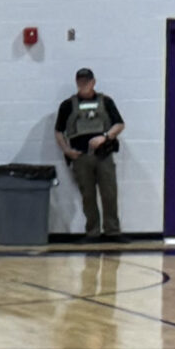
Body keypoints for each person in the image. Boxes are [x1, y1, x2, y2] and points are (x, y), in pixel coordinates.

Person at [54, 69, 125, 241]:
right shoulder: (67, 105)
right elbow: (58, 131)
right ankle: (92, 232)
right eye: (80, 81)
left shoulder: (106, 101)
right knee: (88, 196)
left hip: (103, 155)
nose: (83, 84)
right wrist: (67, 151)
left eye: (87, 81)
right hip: (81, 156)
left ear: (94, 82)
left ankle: (112, 232)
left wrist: (105, 137)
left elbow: (119, 124)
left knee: (109, 193)